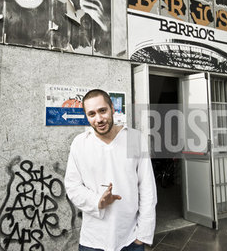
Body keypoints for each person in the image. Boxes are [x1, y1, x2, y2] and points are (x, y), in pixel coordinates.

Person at [64, 89, 157, 251]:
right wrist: (97, 201)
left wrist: (143, 235)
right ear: (86, 116)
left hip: (130, 237)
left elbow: (147, 188)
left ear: (112, 108)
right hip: (93, 239)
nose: (99, 119)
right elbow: (72, 186)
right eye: (91, 114)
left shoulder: (135, 139)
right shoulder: (80, 144)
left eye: (103, 111)